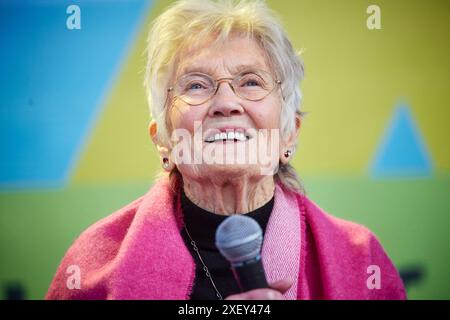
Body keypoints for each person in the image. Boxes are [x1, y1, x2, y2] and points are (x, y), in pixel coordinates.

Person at [46, 0, 406, 300]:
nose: (226, 102)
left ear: (289, 135)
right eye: (197, 85)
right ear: (163, 140)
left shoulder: (360, 259)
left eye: (251, 82)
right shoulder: (93, 264)